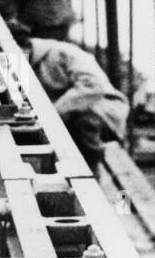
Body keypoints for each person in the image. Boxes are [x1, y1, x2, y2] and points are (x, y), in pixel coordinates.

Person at [8, 19, 127, 173]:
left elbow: (92, 87)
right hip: (60, 116)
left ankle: (89, 177)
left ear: (25, 47)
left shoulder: (62, 52)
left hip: (101, 108)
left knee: (82, 123)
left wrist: (51, 112)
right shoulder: (21, 63)